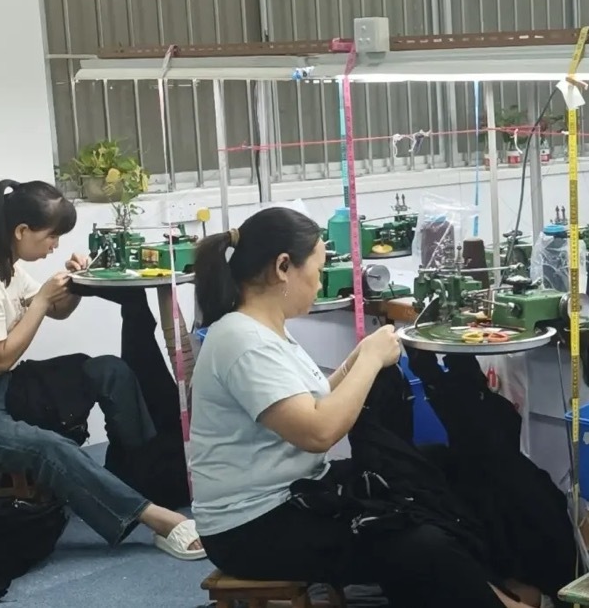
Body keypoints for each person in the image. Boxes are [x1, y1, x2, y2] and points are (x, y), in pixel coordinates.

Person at [189, 207, 526, 608]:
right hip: (252, 527)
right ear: (283, 267)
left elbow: (310, 401)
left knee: (432, 472)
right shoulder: (242, 341)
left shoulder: (262, 331)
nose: (320, 282)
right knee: (418, 541)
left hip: (294, 493)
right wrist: (368, 361)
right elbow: (317, 432)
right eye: (318, 269)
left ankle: (494, 591)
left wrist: (358, 360)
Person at [0, 179, 203, 559]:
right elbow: (0, 357)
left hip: (2, 388)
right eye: (51, 236)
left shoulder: (9, 270)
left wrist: (73, 282)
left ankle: (140, 477)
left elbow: (59, 310)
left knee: (109, 371)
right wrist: (40, 302)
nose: (54, 245)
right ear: (22, 231)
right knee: (49, 448)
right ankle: (158, 520)